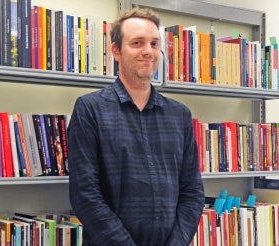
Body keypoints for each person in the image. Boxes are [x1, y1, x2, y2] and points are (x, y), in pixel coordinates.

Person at [67, 6, 205, 246]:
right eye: (137, 43)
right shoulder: (90, 109)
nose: (148, 51)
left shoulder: (179, 115)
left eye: (154, 43)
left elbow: (192, 191)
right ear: (116, 51)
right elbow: (85, 195)